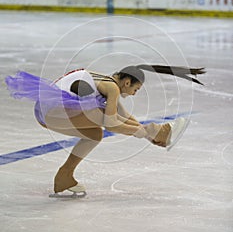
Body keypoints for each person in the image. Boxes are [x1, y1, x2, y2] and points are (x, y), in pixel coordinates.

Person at [5, 64, 205, 195]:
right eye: (135, 90)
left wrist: (147, 136)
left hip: (46, 112)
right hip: (53, 110)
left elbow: (124, 116)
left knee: (95, 133)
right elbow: (111, 123)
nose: (134, 94)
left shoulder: (107, 82)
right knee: (102, 119)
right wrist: (147, 132)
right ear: (127, 82)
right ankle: (157, 130)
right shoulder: (112, 88)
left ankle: (64, 177)